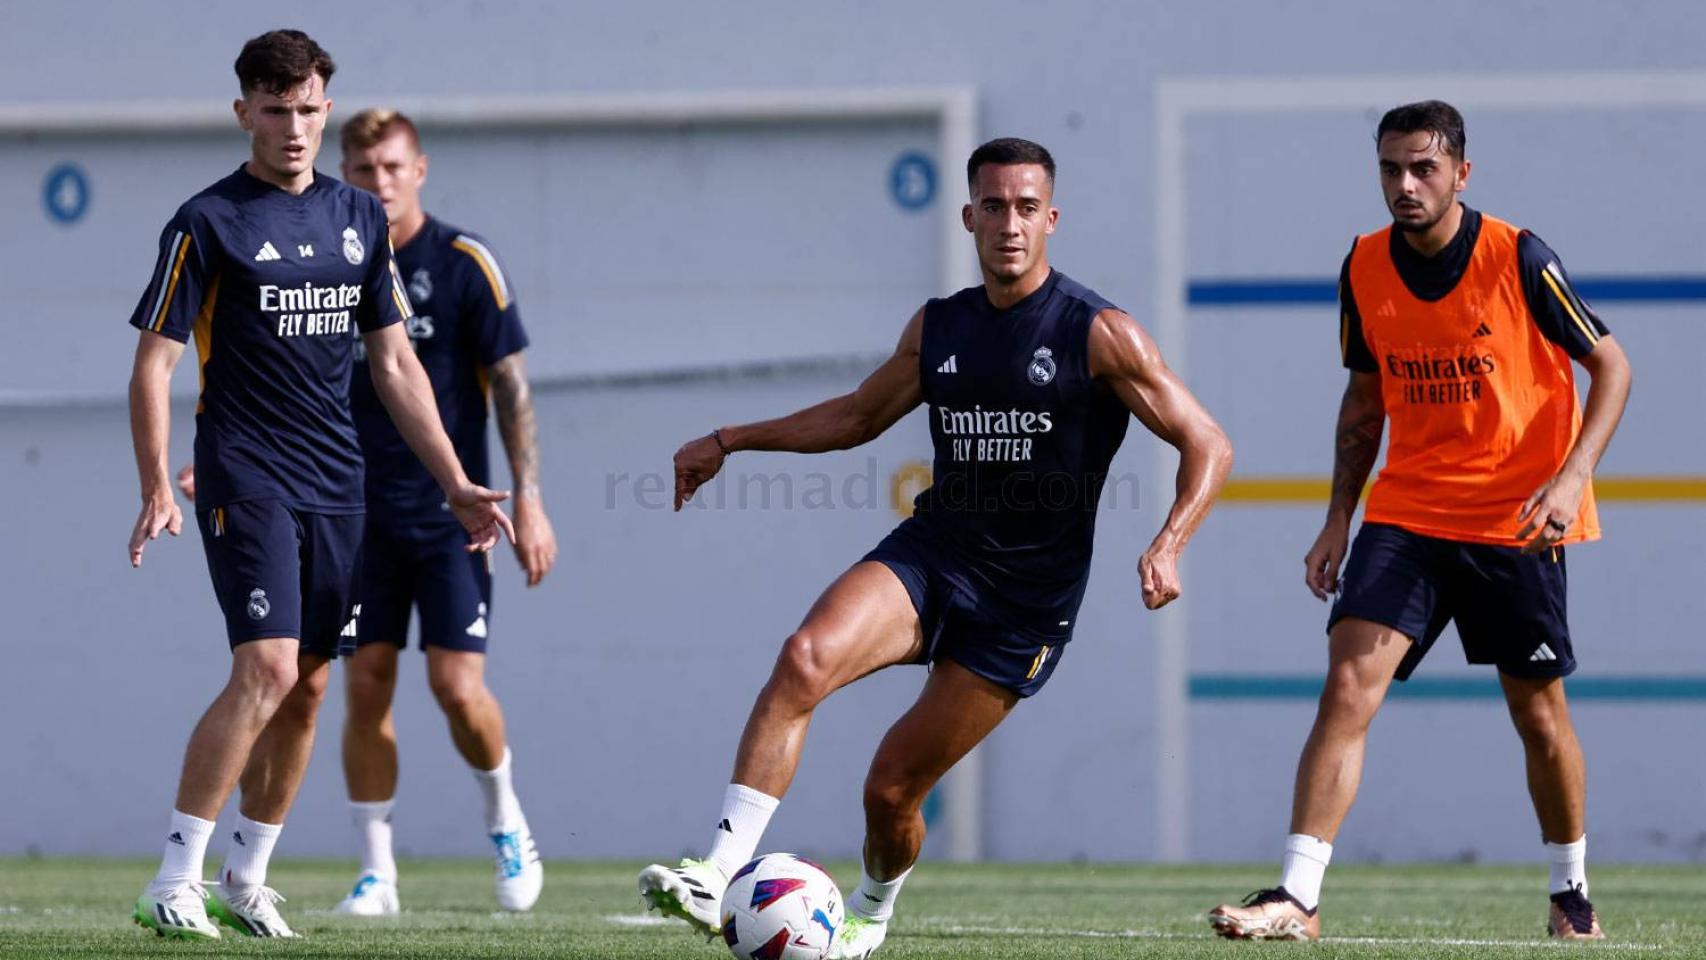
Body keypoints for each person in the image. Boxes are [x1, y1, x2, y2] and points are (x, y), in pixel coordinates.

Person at [637, 137, 1233, 959]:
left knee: (889, 792)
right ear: (968, 217)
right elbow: (855, 417)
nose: (1010, 224)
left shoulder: (1099, 333)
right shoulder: (941, 325)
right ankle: (718, 869)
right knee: (804, 657)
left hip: (1024, 605)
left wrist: (1169, 543)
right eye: (993, 206)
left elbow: (1209, 442)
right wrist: (729, 438)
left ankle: (872, 912)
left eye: (1027, 208)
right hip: (934, 554)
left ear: (1051, 218)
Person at [1207, 100, 1631, 943]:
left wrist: (1572, 475)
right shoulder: (1364, 265)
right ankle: (1297, 896)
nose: (1405, 185)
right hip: (1406, 515)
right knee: (1345, 688)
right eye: (1391, 169)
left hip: (1516, 522)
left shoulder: (1520, 255)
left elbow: (1611, 365)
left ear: (1461, 173)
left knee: (1538, 716)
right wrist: (1337, 519)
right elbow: (1364, 404)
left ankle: (1570, 890)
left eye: (1423, 168)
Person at [126, 30, 511, 940]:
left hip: (342, 483)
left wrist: (455, 478)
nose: (292, 128)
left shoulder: (358, 217)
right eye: (273, 110)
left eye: (307, 109)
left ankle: (245, 876)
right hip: (246, 472)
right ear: (243, 113)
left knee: (306, 686)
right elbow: (153, 366)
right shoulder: (207, 220)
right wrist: (155, 484)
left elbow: (394, 364)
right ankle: (173, 876)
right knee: (262, 666)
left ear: (324, 108)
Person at [333, 108, 553, 914]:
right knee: (367, 687)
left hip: (454, 517)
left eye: (392, 167)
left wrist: (529, 500)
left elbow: (512, 387)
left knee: (457, 688)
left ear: (418, 169)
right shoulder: (330, 262)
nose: (379, 182)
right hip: (357, 519)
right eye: (364, 170)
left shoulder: (464, 262)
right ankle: (377, 871)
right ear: (345, 173)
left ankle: (504, 818)